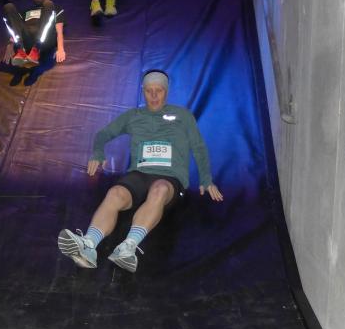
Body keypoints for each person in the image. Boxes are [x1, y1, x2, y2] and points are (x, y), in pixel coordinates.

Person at [58, 70, 223, 273]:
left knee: (159, 189)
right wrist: (98, 153)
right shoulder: (133, 116)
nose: (153, 96)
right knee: (115, 193)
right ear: (143, 92)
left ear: (166, 91)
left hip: (170, 178)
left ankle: (127, 248)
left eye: (158, 90)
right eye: (148, 91)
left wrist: (206, 179)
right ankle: (88, 245)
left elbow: (198, 147)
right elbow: (103, 134)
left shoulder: (183, 116)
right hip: (139, 175)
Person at [2, 0, 66, 83]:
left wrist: (61, 48)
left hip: (44, 41)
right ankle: (21, 50)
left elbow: (59, 30)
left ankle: (36, 49)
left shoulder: (55, 8)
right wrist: (10, 43)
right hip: (27, 41)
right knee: (8, 7)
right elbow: (16, 26)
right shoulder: (26, 11)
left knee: (48, 4)